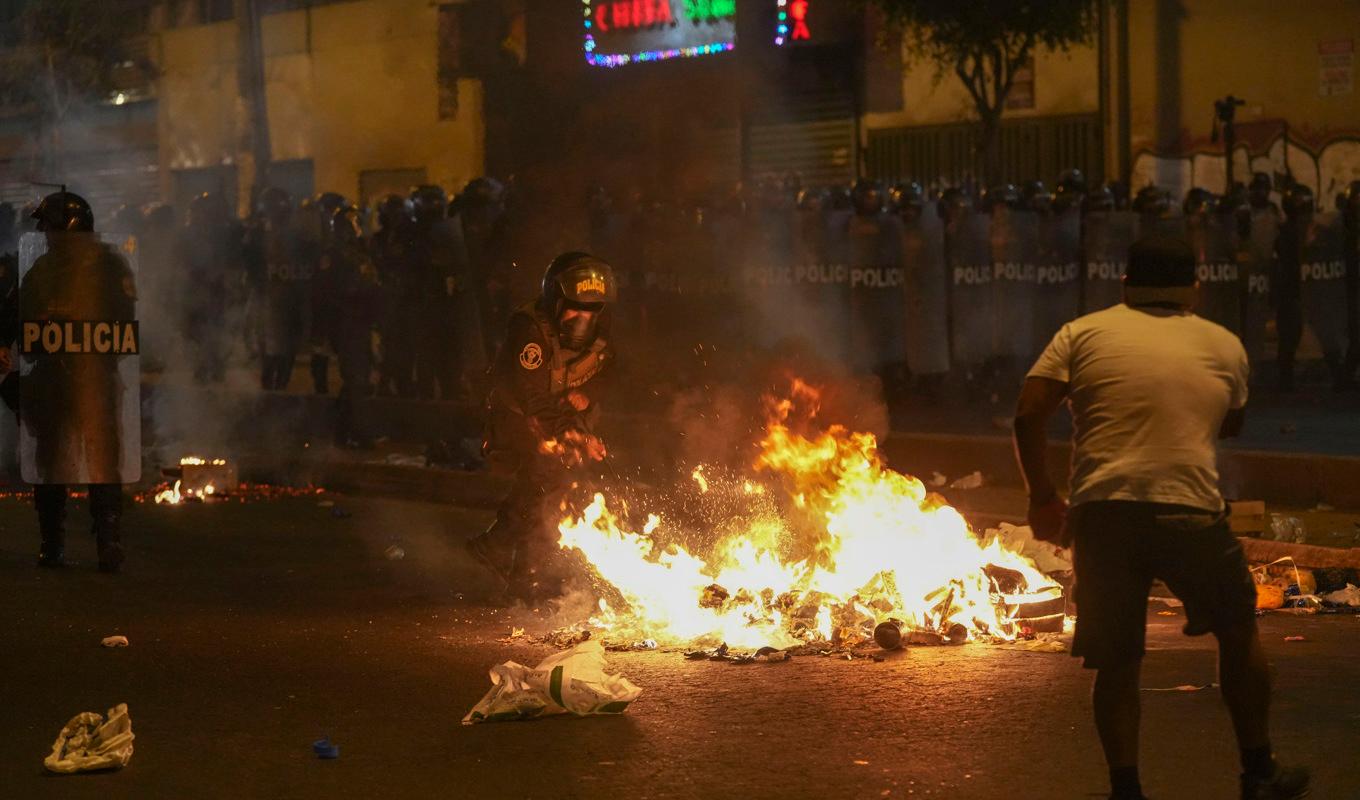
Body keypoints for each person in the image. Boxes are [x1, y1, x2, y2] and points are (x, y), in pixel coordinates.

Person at [1012, 235, 1309, 800]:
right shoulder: (1222, 344)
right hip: (1190, 510)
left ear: (1124, 284)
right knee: (1238, 631)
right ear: (1194, 287)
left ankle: (1126, 790)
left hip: (1104, 516)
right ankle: (1259, 772)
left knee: (1117, 662)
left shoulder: (1081, 333)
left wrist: (1042, 498)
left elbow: (1028, 414)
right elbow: (1231, 424)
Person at [468, 252, 616, 603]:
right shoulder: (530, 329)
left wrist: (588, 394)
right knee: (551, 474)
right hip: (516, 418)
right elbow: (531, 398)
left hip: (557, 415)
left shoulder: (603, 327)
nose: (583, 317)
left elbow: (617, 372)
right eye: (575, 307)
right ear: (556, 299)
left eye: (591, 309)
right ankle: (510, 557)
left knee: (556, 481)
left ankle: (509, 558)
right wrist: (572, 434)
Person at [14, 191, 136, 573]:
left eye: (48, 225)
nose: (44, 233)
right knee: (51, 463)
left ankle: (108, 541)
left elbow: (122, 322)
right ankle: (53, 542)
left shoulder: (109, 267)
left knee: (102, 460)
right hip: (52, 380)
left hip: (95, 377)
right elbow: (19, 314)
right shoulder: (41, 270)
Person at [324, 206, 381, 448]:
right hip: (347, 321)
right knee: (356, 378)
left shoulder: (361, 252)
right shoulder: (334, 255)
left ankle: (344, 430)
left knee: (360, 378)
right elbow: (329, 293)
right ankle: (355, 432)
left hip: (361, 321)